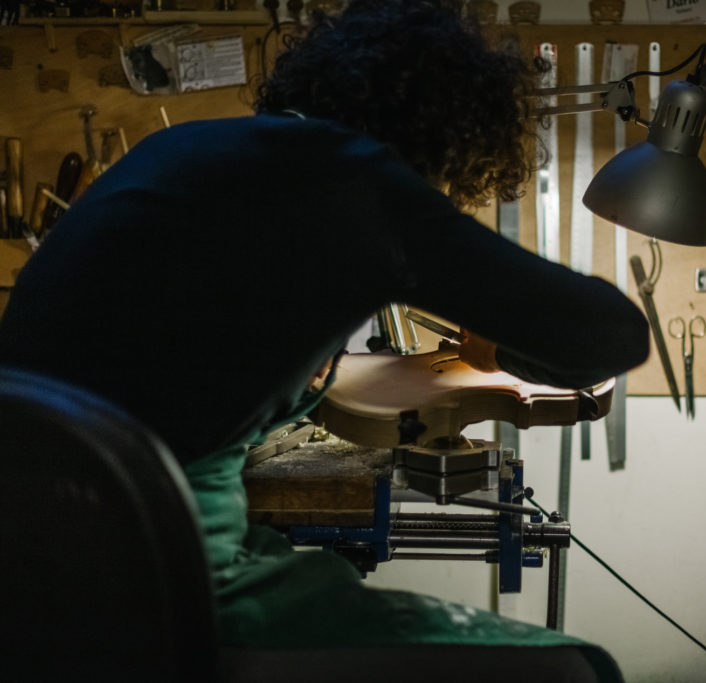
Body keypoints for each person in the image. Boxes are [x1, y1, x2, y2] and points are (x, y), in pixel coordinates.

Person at [0, 0, 649, 678]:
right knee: (571, 668)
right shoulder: (357, 180)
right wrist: (496, 341)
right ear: (444, 144)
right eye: (451, 190)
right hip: (165, 575)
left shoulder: (186, 151)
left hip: (36, 563)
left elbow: (209, 360)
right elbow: (610, 335)